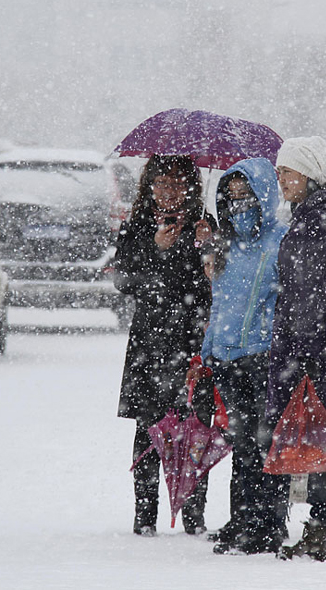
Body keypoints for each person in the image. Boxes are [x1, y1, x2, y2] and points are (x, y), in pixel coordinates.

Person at [267, 136, 326, 561]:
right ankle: (323, 525)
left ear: (309, 176)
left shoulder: (320, 218)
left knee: (319, 436)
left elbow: (311, 292)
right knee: (318, 436)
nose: (281, 179)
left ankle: (325, 528)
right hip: (322, 343)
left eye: (288, 172)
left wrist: (300, 353)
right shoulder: (315, 214)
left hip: (315, 348)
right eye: (279, 172)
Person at [187, 158, 289, 555]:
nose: (239, 205)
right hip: (227, 359)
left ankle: (268, 525)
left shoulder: (280, 240)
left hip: (263, 356)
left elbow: (284, 299)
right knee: (242, 443)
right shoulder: (224, 244)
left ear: (263, 196)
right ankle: (243, 519)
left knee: (265, 444)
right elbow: (219, 304)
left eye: (246, 195)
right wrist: (208, 349)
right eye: (230, 197)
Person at [113, 154, 213, 537]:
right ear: (149, 186)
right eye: (161, 182)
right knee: (148, 428)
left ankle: (194, 515)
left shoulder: (204, 225)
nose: (169, 190)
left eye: (176, 183)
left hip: (193, 341)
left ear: (190, 187)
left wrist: (210, 248)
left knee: (195, 429)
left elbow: (215, 283)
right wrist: (154, 249)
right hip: (150, 343)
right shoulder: (137, 225)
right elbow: (124, 281)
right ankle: (144, 516)